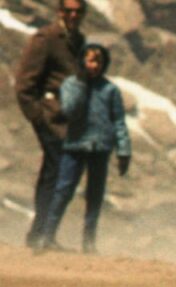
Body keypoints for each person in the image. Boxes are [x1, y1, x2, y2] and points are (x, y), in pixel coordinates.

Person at [36, 44, 131, 254]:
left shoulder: (110, 90)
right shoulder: (71, 84)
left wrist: (123, 151)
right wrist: (81, 84)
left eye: (98, 61)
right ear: (82, 62)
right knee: (63, 191)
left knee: (95, 195)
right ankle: (47, 236)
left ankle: (89, 242)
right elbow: (69, 109)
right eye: (89, 60)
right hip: (75, 145)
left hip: (100, 147)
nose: (93, 66)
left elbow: (119, 122)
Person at [13, 0, 87, 250]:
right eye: (69, 11)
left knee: (60, 175)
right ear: (60, 12)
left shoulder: (78, 41)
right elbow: (24, 83)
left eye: (78, 11)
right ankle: (41, 235)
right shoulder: (46, 39)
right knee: (57, 171)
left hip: (70, 121)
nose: (73, 15)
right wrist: (38, 117)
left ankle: (43, 234)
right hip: (50, 118)